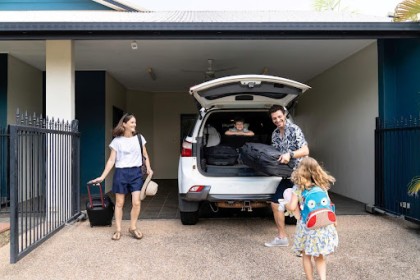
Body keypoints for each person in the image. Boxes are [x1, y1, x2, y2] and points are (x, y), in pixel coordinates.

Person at [90, 113, 153, 241]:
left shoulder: (139, 138)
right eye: (132, 122)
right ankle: (118, 229)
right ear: (124, 124)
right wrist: (102, 177)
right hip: (121, 173)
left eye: (135, 122)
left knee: (136, 202)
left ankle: (133, 227)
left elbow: (145, 155)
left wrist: (149, 168)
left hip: (136, 173)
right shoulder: (117, 141)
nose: (134, 125)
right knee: (119, 203)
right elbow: (111, 160)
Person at [285, 157, 338, 280]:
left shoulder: (298, 189)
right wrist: (335, 221)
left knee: (306, 254)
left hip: (307, 227)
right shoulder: (322, 187)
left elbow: (292, 206)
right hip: (323, 226)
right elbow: (329, 204)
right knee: (320, 256)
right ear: (317, 170)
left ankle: (310, 279)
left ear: (300, 171)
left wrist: (285, 203)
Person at [264, 104, 309, 247]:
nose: (277, 120)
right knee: (275, 203)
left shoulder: (294, 129)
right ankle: (282, 238)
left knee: (304, 207)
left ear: (284, 114)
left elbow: (305, 150)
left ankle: (311, 238)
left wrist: (290, 154)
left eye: (279, 116)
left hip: (300, 174)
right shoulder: (275, 134)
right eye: (274, 118)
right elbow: (276, 154)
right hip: (286, 175)